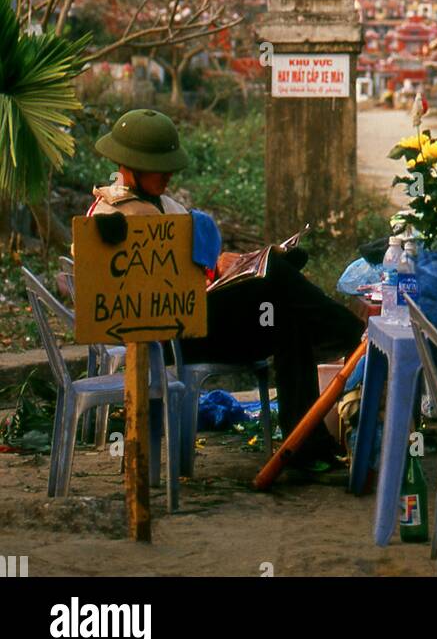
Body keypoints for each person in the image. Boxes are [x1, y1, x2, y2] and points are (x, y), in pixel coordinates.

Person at [88, 108, 365, 474]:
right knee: (277, 279)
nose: (169, 174)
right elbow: (95, 269)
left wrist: (231, 265)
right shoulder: (111, 210)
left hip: (201, 317)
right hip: (168, 338)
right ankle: (353, 335)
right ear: (131, 165)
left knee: (285, 317)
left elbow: (201, 264)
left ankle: (304, 445)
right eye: (160, 166)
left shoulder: (165, 204)